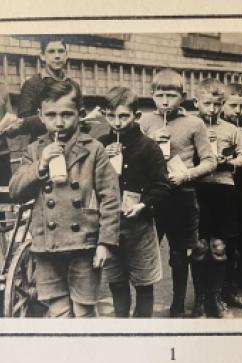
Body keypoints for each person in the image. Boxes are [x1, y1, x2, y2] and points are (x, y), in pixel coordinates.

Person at [9, 80, 121, 318]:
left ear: (80, 114)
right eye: (51, 115)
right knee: (58, 310)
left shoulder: (94, 149)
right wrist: (41, 165)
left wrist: (105, 243)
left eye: (67, 114)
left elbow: (110, 199)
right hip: (46, 246)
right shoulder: (35, 150)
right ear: (40, 115)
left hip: (84, 244)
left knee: (83, 311)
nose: (59, 122)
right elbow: (16, 191)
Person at [139, 69, 216, 317]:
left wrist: (187, 175)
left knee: (180, 254)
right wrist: (149, 139)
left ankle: (178, 304)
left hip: (182, 195)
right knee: (147, 252)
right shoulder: (144, 122)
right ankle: (144, 309)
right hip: (152, 196)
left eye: (171, 95)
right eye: (159, 95)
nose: (164, 101)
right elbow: (133, 157)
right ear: (151, 95)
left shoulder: (195, 123)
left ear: (182, 97)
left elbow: (210, 161)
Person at [98, 87, 170, 317]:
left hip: (140, 226)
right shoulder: (100, 144)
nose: (117, 122)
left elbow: (162, 186)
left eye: (123, 116)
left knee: (143, 282)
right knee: (117, 282)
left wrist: (143, 205)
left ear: (136, 116)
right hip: (110, 225)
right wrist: (103, 159)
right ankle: (121, 326)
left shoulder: (149, 148)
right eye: (111, 116)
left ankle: (142, 330)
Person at [191, 78, 242, 317]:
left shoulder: (231, 130)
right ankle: (199, 300)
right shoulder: (191, 126)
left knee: (218, 246)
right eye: (207, 103)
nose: (213, 109)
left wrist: (230, 163)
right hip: (197, 190)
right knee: (198, 247)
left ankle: (216, 299)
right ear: (197, 103)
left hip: (223, 191)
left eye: (218, 104)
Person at [9, 37, 85, 142]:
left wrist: (84, 120)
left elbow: (81, 115)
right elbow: (23, 122)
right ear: (42, 56)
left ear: (66, 55)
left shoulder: (73, 85)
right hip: (42, 143)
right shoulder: (32, 84)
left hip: (71, 143)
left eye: (61, 51)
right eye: (51, 52)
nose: (57, 56)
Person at [218, 83, 242, 308]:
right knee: (222, 242)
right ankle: (220, 290)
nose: (238, 111)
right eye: (233, 105)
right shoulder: (214, 126)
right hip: (221, 189)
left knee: (241, 238)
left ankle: (237, 283)